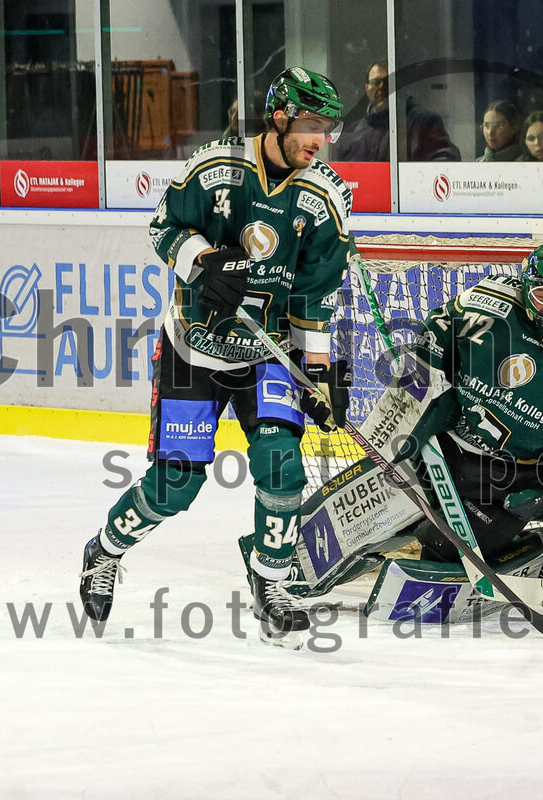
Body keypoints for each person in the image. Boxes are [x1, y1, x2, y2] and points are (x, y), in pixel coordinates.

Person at [79, 66, 354, 647]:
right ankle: (104, 550)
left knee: (283, 469)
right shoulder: (214, 168)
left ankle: (272, 582)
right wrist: (203, 263)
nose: (318, 139)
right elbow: (163, 228)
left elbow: (313, 299)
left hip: (266, 353)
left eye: (326, 127)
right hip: (192, 350)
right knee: (174, 486)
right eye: (308, 124)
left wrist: (322, 373)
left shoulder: (324, 197)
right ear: (277, 117)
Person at [282, 243, 543, 622]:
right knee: (364, 509)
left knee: (441, 546)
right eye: (542, 294)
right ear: (524, 287)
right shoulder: (484, 305)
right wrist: (422, 396)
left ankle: (537, 552)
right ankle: (277, 567)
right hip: (448, 446)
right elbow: (436, 333)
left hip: (514, 480)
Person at [332, 62, 461, 162]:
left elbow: (446, 163)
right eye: (376, 82)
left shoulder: (425, 123)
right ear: (367, 89)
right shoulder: (351, 135)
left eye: (389, 81)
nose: (382, 88)